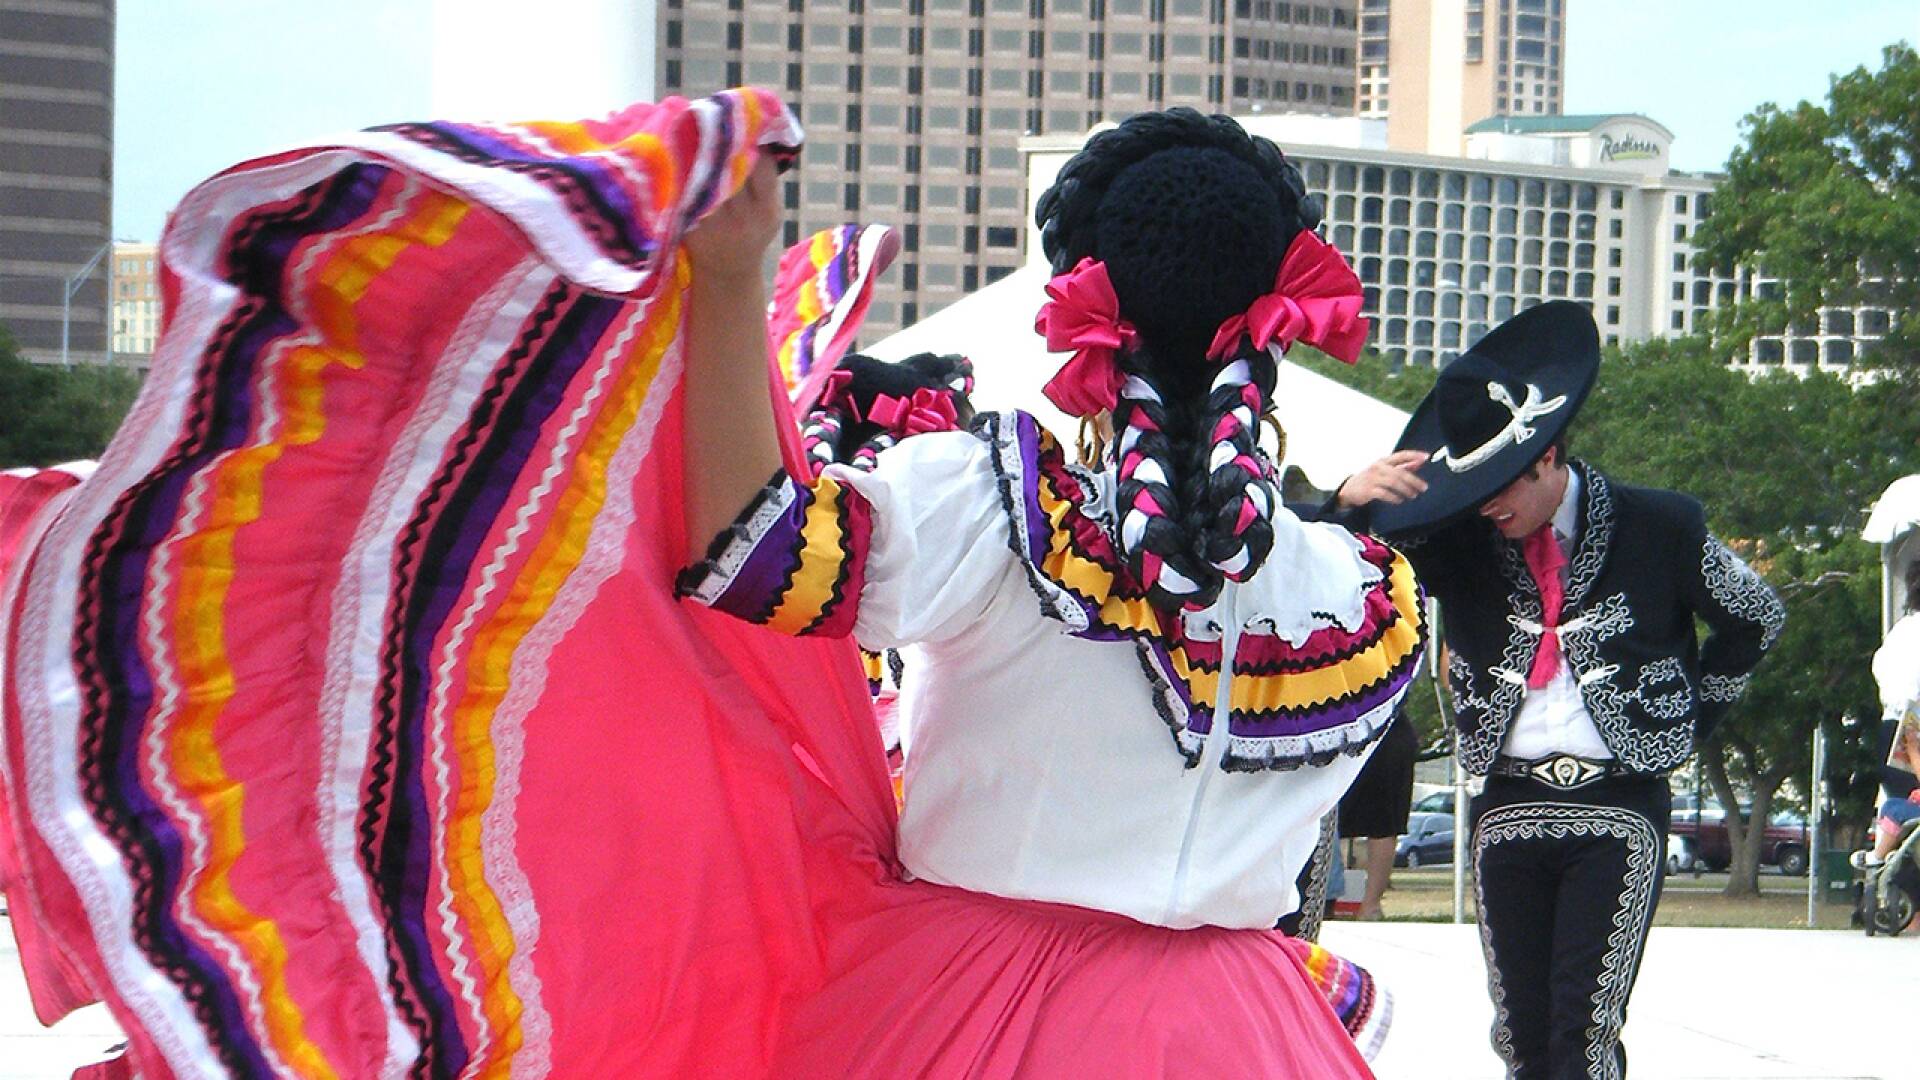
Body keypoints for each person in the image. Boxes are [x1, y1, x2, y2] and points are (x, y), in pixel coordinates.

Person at [678, 107, 1422, 1074]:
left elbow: (756, 555)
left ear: (1087, 327)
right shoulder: (1364, 597)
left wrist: (730, 277)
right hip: (1243, 1026)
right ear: (1282, 321)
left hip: (969, 1005)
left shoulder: (995, 511)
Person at [1329, 301, 1785, 1079]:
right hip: (1508, 804)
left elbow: (1756, 616)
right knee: (1521, 1036)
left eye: (1504, 484)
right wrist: (1345, 500)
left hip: (1618, 805)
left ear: (1547, 457)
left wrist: (1685, 720)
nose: (1489, 504)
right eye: (1476, 489)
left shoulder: (1661, 525)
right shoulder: (1458, 540)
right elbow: (1324, 569)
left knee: (1586, 1030)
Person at [1857, 563, 1920, 869]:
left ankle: (1907, 906)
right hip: (1912, 729)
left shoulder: (1901, 632)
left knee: (1905, 824)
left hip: (1892, 727)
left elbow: (1880, 670)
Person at [1337, 704, 1419, 919]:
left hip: (1383, 730)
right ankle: (1352, 901)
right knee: (1329, 820)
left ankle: (1370, 904)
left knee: (1383, 823)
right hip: (1346, 726)